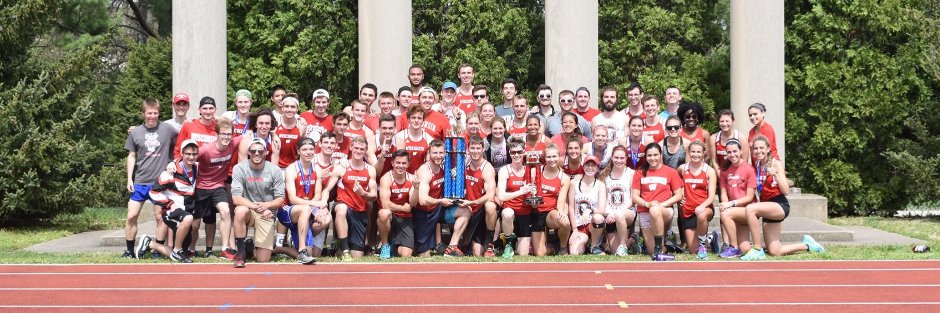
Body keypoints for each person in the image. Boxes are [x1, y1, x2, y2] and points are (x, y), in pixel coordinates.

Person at [739, 136, 825, 260]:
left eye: (761, 148)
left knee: (750, 209)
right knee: (775, 251)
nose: (758, 151)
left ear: (768, 149)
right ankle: (807, 245)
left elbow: (786, 191)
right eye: (755, 148)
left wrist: (777, 175)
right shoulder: (757, 164)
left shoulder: (775, 163)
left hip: (779, 205)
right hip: (766, 207)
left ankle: (757, 249)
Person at [124, 98, 178, 258]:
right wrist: (129, 178)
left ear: (159, 113)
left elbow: (182, 139)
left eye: (155, 113)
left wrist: (173, 163)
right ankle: (129, 251)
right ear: (143, 113)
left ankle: (157, 251)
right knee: (131, 216)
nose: (152, 116)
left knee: (160, 217)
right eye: (149, 113)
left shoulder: (168, 129)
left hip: (160, 182)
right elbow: (131, 155)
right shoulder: (136, 132)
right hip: (140, 181)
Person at [137, 140, 201, 263]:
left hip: (186, 211)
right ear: (181, 153)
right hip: (171, 211)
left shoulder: (196, 167)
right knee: (187, 220)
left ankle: (150, 243)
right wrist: (170, 204)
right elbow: (153, 192)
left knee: (184, 252)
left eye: (194, 154)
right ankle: (177, 250)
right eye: (188, 154)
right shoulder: (171, 172)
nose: (191, 157)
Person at [231, 138, 286, 268]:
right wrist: (260, 208)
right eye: (253, 151)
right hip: (249, 210)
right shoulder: (239, 168)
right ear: (248, 152)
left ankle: (249, 247)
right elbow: (236, 199)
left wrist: (267, 206)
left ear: (266, 152)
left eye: (260, 151)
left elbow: (280, 200)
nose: (257, 154)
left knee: (263, 260)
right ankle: (240, 254)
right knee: (240, 210)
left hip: (267, 214)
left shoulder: (275, 170)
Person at [324, 137, 377, 260]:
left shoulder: (370, 169)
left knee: (357, 256)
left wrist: (363, 193)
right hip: (343, 205)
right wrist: (322, 204)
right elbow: (327, 189)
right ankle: (345, 248)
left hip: (360, 211)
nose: (358, 151)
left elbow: (374, 195)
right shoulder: (342, 167)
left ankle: (342, 247)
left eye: (362, 149)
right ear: (351, 148)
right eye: (356, 148)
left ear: (366, 151)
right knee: (341, 209)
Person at [192, 118, 238, 259]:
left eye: (228, 134)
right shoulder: (206, 150)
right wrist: (173, 163)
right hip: (201, 187)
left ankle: (224, 249)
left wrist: (272, 134)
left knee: (225, 212)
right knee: (197, 222)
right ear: (217, 134)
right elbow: (189, 157)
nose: (226, 137)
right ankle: (191, 248)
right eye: (223, 134)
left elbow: (250, 135)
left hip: (218, 186)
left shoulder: (233, 143)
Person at [631, 143, 683, 261]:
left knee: (655, 210)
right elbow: (635, 196)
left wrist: (660, 205)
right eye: (649, 155)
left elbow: (679, 195)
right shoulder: (639, 172)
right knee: (651, 252)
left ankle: (659, 247)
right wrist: (646, 204)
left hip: (664, 210)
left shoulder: (670, 171)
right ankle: (666, 246)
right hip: (645, 210)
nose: (652, 158)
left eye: (655, 155)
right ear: (646, 157)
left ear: (660, 155)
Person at [278, 138, 326, 264]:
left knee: (326, 218)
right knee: (305, 209)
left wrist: (317, 208)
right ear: (298, 151)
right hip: (288, 210)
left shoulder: (317, 170)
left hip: (307, 209)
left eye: (311, 149)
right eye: (305, 149)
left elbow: (318, 195)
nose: (308, 152)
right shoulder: (291, 169)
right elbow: (293, 199)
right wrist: (313, 205)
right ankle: (302, 249)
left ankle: (280, 249)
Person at [496, 138, 538, 258]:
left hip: (525, 213)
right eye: (513, 152)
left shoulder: (530, 171)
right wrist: (521, 191)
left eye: (519, 152)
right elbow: (501, 196)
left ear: (524, 152)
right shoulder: (505, 170)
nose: (516, 155)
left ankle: (515, 239)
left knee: (523, 254)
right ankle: (509, 241)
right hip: (510, 211)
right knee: (508, 213)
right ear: (509, 153)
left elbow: (534, 198)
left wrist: (534, 194)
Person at [715, 139, 756, 259]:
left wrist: (731, 204)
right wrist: (724, 203)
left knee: (726, 213)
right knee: (745, 249)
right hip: (735, 212)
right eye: (729, 152)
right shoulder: (724, 171)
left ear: (741, 151)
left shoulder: (749, 169)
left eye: (735, 151)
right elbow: (723, 192)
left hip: (747, 211)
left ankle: (733, 247)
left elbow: (749, 197)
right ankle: (805, 245)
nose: (732, 155)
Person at [677, 140, 717, 259]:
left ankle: (702, 244)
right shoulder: (682, 168)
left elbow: (711, 197)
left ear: (703, 153)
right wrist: (680, 197)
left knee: (701, 215)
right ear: (688, 152)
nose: (695, 154)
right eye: (693, 151)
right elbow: (676, 185)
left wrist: (702, 206)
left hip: (704, 209)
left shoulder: (709, 171)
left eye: (699, 152)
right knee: (693, 251)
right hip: (688, 211)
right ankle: (711, 239)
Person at [413, 140, 452, 257]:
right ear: (429, 153)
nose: (438, 156)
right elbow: (423, 200)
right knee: (424, 255)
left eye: (441, 152)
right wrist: (440, 201)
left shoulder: (443, 168)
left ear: (445, 153)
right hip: (423, 213)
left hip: (437, 210)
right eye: (435, 153)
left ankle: (452, 246)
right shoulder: (425, 171)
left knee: (465, 211)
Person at [462, 136, 499, 257]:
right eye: (472, 148)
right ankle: (462, 243)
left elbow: (489, 196)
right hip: (469, 210)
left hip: (481, 210)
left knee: (490, 206)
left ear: (483, 149)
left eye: (478, 148)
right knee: (477, 253)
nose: (475, 151)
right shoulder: (464, 164)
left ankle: (489, 243)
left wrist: (472, 203)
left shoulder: (487, 168)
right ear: (468, 149)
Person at [532, 144, 571, 256]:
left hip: (550, 213)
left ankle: (563, 248)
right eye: (549, 157)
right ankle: (553, 247)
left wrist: (561, 213)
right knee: (540, 254)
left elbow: (561, 201)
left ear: (559, 157)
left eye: (554, 156)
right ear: (544, 158)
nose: (552, 160)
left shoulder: (564, 178)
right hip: (535, 212)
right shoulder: (536, 171)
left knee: (564, 221)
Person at [597, 146, 637, 256]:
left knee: (620, 215)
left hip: (627, 212)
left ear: (626, 158)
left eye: (622, 158)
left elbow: (633, 199)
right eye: (616, 157)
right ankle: (632, 240)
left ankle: (623, 246)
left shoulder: (632, 173)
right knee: (614, 252)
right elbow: (603, 200)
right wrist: (607, 214)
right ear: (612, 157)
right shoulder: (604, 175)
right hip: (610, 214)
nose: (619, 160)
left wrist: (619, 212)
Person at [377, 150, 416, 258]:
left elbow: (413, 202)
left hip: (405, 218)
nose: (400, 166)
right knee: (384, 213)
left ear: (408, 164)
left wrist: (416, 188)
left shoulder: (412, 178)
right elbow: (385, 205)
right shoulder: (386, 178)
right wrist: (403, 208)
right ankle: (385, 245)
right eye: (398, 163)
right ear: (392, 163)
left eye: (404, 163)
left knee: (406, 254)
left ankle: (393, 246)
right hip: (390, 216)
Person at [568, 156, 607, 255]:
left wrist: (590, 210)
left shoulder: (600, 185)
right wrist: (574, 230)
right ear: (583, 166)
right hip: (580, 225)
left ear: (597, 168)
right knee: (575, 253)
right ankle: (587, 243)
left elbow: (602, 210)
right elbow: (571, 208)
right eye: (588, 165)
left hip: (593, 224)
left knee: (598, 217)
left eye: (593, 165)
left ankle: (594, 246)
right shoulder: (574, 183)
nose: (590, 168)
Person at [395, 105, 434, 174]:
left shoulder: (429, 139)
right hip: (402, 177)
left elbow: (430, 163)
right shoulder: (399, 137)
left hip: (421, 177)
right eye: (413, 118)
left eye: (419, 118)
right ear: (408, 119)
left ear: (423, 120)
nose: (416, 121)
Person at [709, 109, 748, 177]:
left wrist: (735, 178)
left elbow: (745, 160)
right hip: (721, 174)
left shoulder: (741, 138)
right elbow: (714, 161)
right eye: (722, 121)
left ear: (733, 121)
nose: (724, 124)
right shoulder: (714, 138)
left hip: (738, 175)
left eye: (727, 121)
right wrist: (721, 177)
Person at [275, 96, 305, 169]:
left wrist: (300, 136)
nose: (289, 109)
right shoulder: (276, 123)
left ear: (297, 109)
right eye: (286, 106)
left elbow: (303, 147)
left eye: (292, 107)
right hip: (277, 166)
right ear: (282, 108)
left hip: (295, 167)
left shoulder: (301, 125)